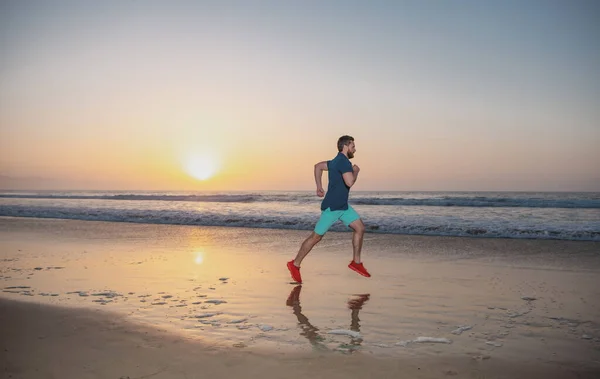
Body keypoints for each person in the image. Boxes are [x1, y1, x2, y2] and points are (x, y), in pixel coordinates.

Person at [287, 135, 371, 284]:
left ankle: (356, 262)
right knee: (316, 237)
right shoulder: (344, 162)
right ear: (345, 146)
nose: (355, 149)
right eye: (353, 146)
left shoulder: (334, 161)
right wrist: (356, 171)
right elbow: (350, 182)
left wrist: (319, 186)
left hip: (343, 206)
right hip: (332, 207)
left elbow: (317, 166)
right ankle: (295, 264)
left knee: (360, 228)